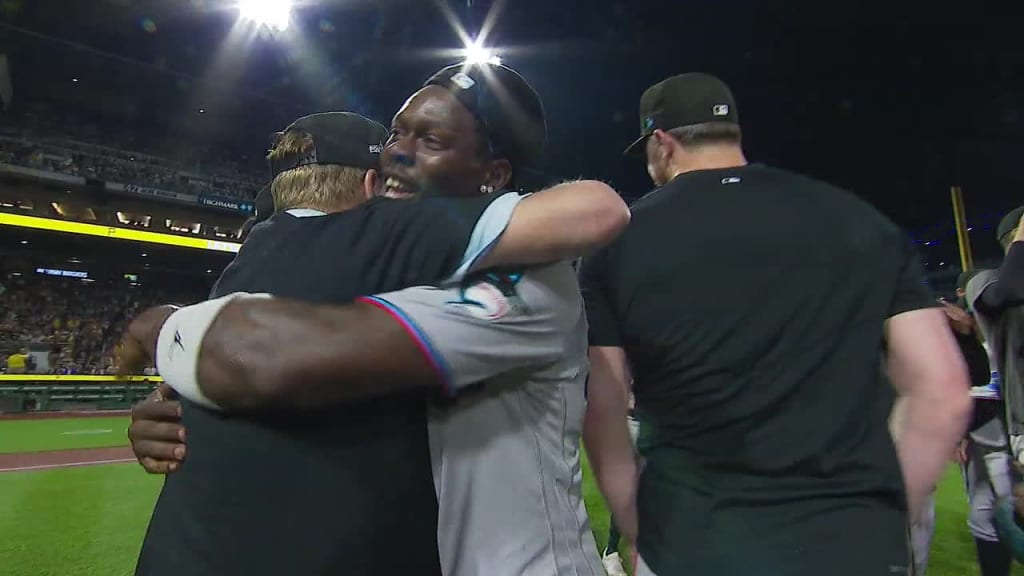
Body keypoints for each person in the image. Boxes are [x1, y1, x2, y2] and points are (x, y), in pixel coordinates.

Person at [125, 63, 620, 576]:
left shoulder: (526, 276)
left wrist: (166, 329)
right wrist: (186, 414)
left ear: (494, 177)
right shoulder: (391, 264)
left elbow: (279, 358)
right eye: (397, 132)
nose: (398, 153)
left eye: (430, 140)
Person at [578, 72, 972, 576]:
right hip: (848, 547)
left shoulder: (619, 242)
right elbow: (942, 390)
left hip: (698, 542)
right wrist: (884, 515)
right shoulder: (857, 220)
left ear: (662, 142)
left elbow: (604, 408)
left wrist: (638, 527)